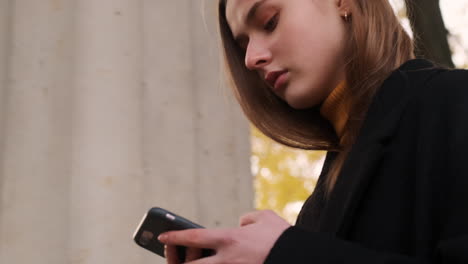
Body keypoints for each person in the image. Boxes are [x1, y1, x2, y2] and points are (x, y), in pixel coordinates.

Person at [157, 0, 468, 263]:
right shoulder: (318, 208)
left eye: (269, 22)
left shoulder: (455, 102)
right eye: (243, 44)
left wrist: (287, 252)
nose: (251, 59)